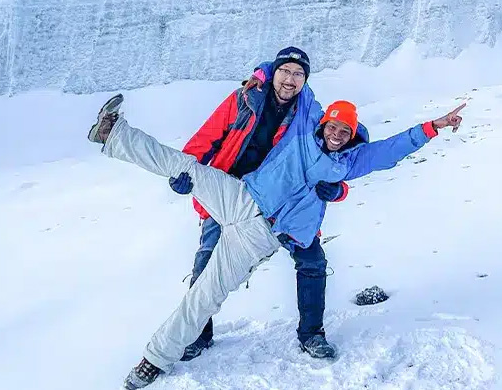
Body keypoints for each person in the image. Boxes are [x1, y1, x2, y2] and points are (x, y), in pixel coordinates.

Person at [87, 85, 464, 389]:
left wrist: (434, 126)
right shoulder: (303, 129)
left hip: (259, 237)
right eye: (333, 126)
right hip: (240, 197)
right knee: (187, 167)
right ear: (323, 123)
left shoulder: (349, 162)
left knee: (206, 294)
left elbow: (391, 149)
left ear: (351, 136)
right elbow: (294, 74)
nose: (336, 133)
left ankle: (152, 361)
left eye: (344, 131)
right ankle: (113, 134)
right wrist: (261, 73)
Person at [170, 47, 349, 361]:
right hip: (229, 194)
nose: (290, 80)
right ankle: (199, 335)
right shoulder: (244, 99)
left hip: (282, 203)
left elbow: (338, 155)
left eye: (298, 74)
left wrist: (338, 189)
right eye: (284, 71)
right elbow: (206, 137)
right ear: (274, 72)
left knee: (312, 260)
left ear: (305, 81)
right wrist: (182, 172)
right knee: (206, 263)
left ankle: (311, 334)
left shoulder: (309, 116)